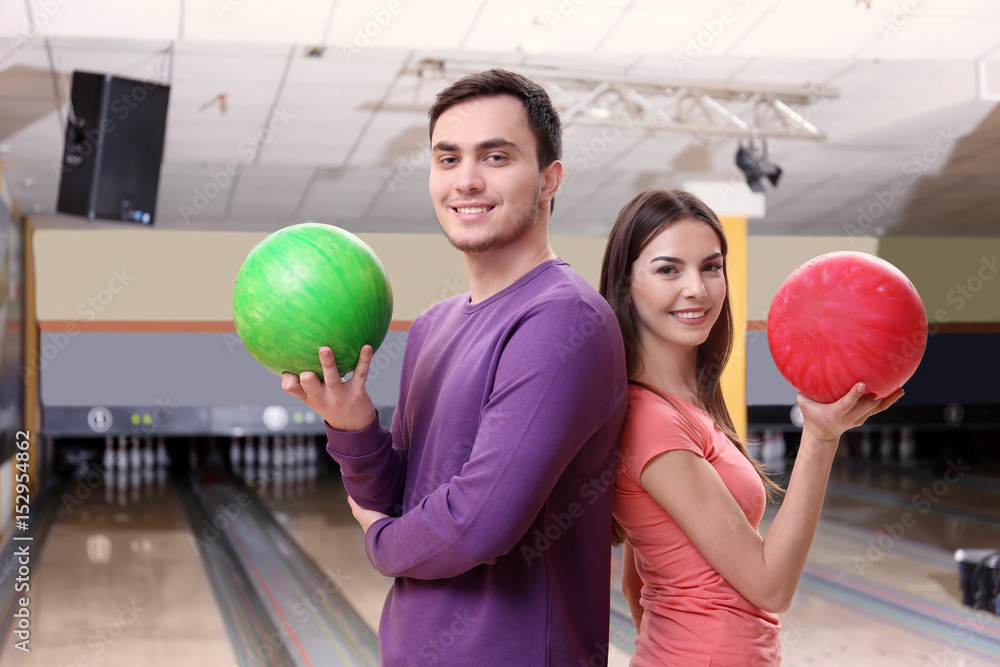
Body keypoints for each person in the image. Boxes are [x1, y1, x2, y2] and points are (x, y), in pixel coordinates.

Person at [282, 69, 628, 666]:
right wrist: (353, 426)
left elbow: (477, 525)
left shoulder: (563, 320)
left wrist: (379, 542)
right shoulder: (432, 327)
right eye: (447, 159)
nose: (466, 180)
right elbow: (396, 497)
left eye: (495, 156)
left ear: (550, 179)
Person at [598, 188, 902, 665]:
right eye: (667, 269)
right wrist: (821, 438)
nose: (697, 288)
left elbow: (636, 579)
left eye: (711, 266)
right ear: (626, 284)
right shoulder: (653, 422)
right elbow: (770, 586)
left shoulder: (684, 404)